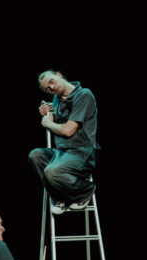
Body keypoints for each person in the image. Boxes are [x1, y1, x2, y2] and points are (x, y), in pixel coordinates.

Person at [28, 70, 99, 215]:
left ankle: (85, 190)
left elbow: (68, 130)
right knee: (35, 155)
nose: (51, 87)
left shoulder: (83, 95)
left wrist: (48, 123)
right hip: (62, 152)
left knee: (52, 171)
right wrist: (48, 112)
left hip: (82, 152)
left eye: (52, 81)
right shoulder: (57, 99)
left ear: (59, 75)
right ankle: (60, 199)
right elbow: (61, 116)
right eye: (47, 88)